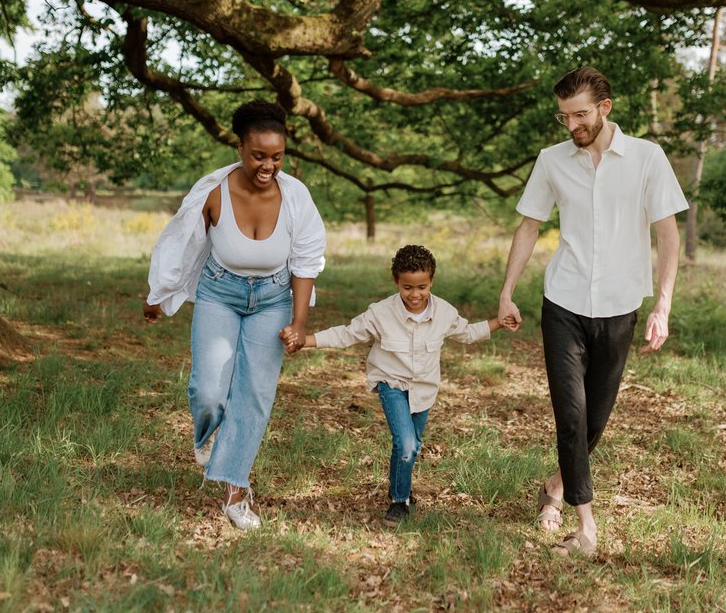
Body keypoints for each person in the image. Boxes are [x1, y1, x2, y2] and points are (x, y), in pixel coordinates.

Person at [498, 67, 688, 557]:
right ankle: (586, 530)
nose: (571, 125)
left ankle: (555, 488)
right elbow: (528, 227)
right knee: (571, 415)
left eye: (580, 114)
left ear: (605, 108)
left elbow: (668, 236)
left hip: (620, 307)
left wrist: (662, 305)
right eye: (564, 116)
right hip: (563, 302)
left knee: (595, 419)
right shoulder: (552, 161)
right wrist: (507, 291)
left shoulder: (647, 158)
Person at [143, 100, 326, 531]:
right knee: (209, 390)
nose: (268, 165)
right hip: (219, 293)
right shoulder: (213, 191)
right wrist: (159, 293)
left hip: (274, 298)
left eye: (277, 156)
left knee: (254, 395)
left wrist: (298, 324)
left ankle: (236, 490)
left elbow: (306, 260)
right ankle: (207, 437)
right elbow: (183, 245)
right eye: (259, 155)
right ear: (240, 146)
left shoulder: (296, 196)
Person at [281, 245, 508, 525]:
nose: (415, 294)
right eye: (407, 287)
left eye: (422, 287)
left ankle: (398, 488)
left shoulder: (445, 313)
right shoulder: (380, 313)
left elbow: (469, 333)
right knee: (406, 443)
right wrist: (308, 340)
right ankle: (399, 501)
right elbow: (347, 334)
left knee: (411, 445)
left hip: (424, 389)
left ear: (431, 282)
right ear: (396, 282)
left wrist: (500, 322)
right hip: (391, 383)